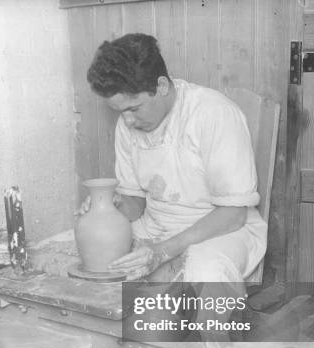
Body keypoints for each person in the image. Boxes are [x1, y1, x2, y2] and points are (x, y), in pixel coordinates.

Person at [82, 33, 267, 290]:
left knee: (206, 273)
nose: (127, 122)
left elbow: (234, 214)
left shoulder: (213, 113)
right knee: (68, 251)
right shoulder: (127, 123)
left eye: (134, 108)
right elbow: (134, 203)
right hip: (156, 227)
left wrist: (163, 251)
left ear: (161, 86)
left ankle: (214, 330)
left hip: (220, 231)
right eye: (119, 112)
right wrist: (111, 206)